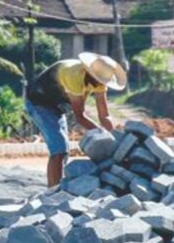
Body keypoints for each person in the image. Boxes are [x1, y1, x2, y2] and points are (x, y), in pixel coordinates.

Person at [25, 52, 127, 188]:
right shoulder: (74, 75)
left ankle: (57, 189)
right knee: (58, 149)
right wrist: (102, 135)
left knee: (64, 151)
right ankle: (52, 191)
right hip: (38, 102)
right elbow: (80, 116)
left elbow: (104, 115)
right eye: (100, 81)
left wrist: (113, 137)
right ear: (91, 73)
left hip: (56, 106)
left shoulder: (99, 83)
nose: (101, 85)